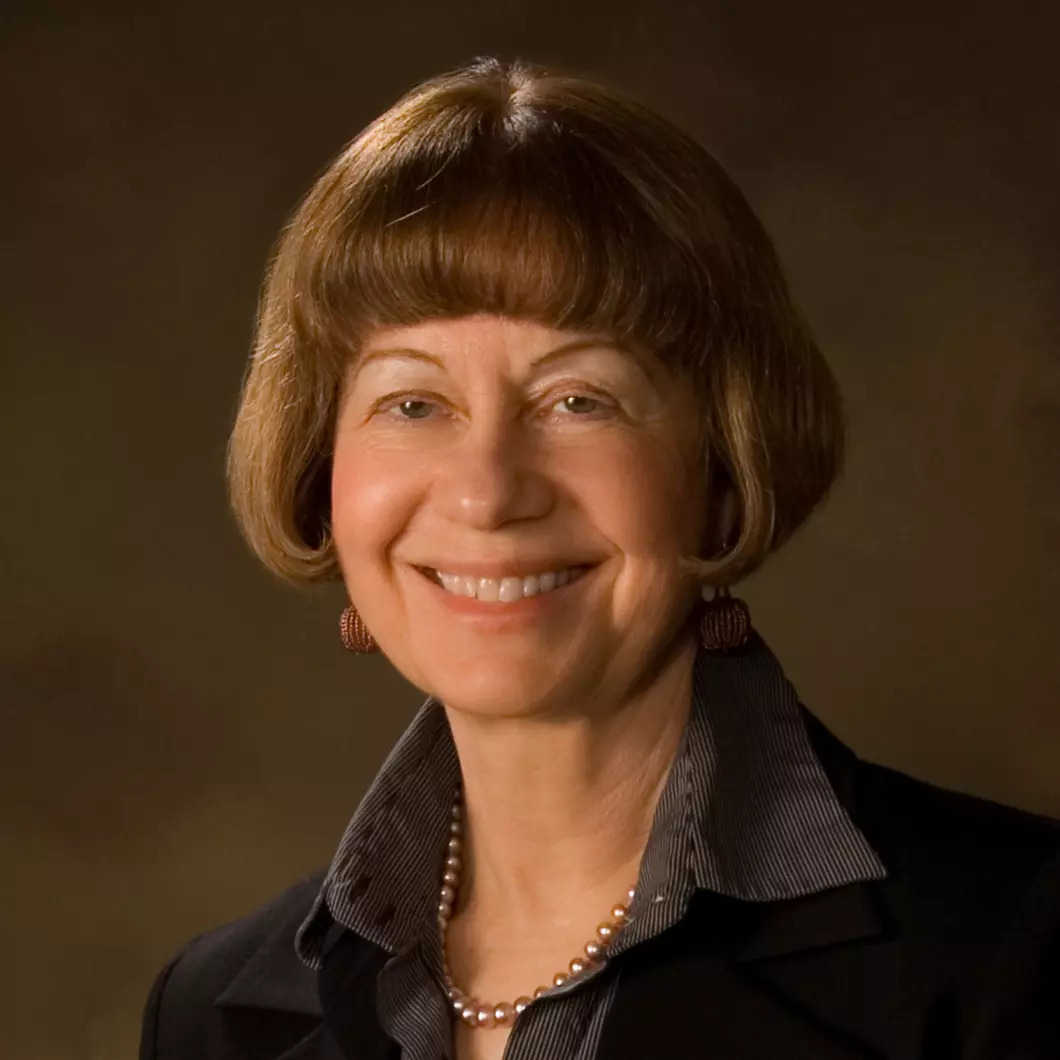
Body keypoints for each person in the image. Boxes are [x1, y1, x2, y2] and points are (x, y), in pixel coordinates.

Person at [139, 56, 1060, 1060]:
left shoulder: (1012, 948)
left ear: (723, 457)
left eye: (579, 400)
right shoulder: (207, 1015)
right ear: (321, 467)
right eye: (412, 403)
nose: (487, 492)